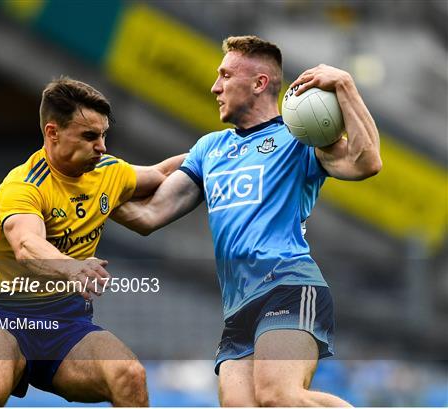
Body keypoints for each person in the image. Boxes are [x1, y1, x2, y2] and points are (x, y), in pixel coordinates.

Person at [112, 35, 382, 407]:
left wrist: (345, 86)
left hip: (288, 284)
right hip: (238, 305)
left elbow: (367, 163)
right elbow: (148, 215)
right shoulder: (209, 149)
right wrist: (90, 190)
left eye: (225, 75)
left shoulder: (300, 135)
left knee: (278, 396)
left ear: (258, 83)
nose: (215, 86)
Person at [0, 77, 185, 406]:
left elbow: (163, 174)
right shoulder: (22, 185)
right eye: (90, 136)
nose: (102, 146)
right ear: (53, 133)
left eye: (103, 135)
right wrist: (71, 268)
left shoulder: (107, 171)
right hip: (5, 318)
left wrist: (217, 151)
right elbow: (26, 245)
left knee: (130, 375)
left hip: (67, 324)